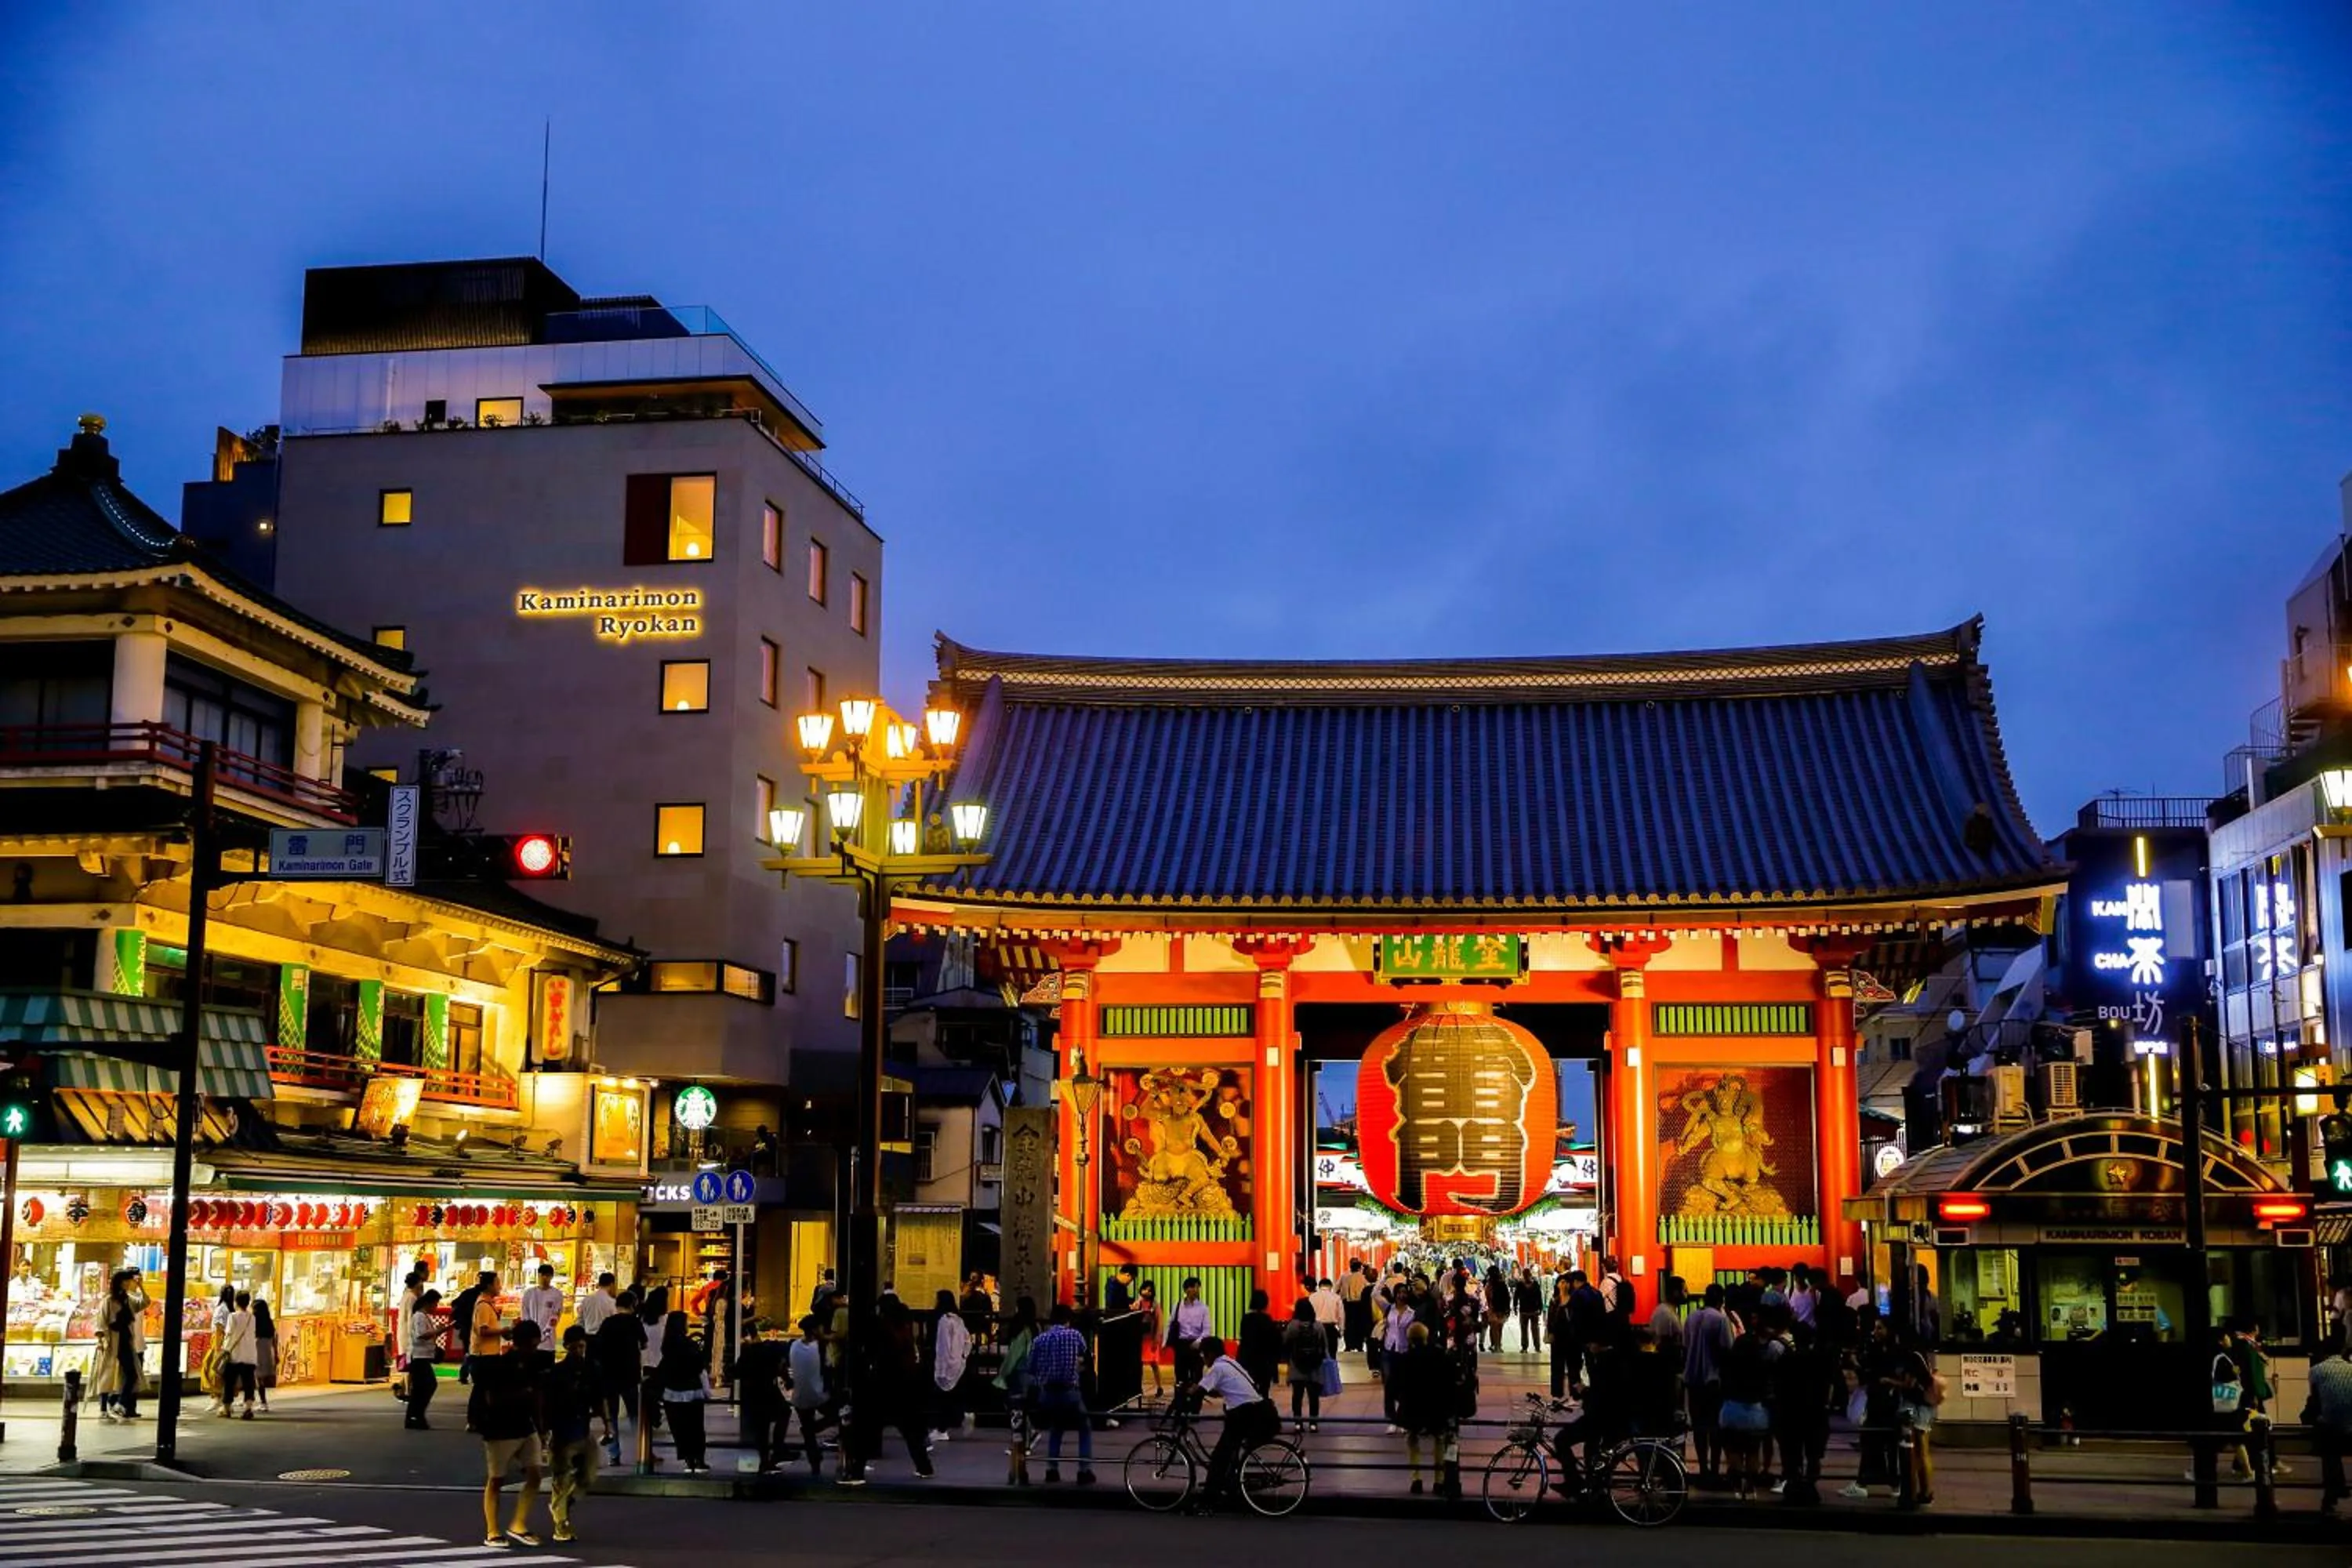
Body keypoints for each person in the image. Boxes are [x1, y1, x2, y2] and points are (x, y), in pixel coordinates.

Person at [470, 1318, 548, 1548]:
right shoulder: (499, 1366)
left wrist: (541, 1428)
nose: (534, 1349)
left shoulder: (533, 1364)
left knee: (534, 1474)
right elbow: (492, 1398)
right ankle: (492, 1531)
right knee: (496, 1479)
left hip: (525, 1426)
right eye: (533, 1345)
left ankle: (518, 1524)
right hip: (500, 1429)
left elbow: (537, 1397)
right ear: (523, 1343)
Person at [1190, 1334, 1277, 1510]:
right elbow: (1221, 1389)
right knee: (1230, 1453)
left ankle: (1207, 1501)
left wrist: (1188, 1392)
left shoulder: (1217, 1368)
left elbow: (1200, 1390)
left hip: (1243, 1414)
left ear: (1211, 1353)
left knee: (1219, 1458)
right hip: (1255, 1410)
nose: (1202, 1358)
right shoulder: (1230, 1362)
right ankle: (1230, 1486)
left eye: (1203, 1354)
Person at [545, 1324, 599, 1545]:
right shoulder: (558, 1372)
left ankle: (563, 1504)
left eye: (582, 1347)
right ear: (567, 1347)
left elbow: (599, 1395)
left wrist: (607, 1423)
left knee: (588, 1475)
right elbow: (548, 1404)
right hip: (563, 1431)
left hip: (583, 1428)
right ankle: (561, 1523)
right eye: (575, 1347)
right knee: (562, 1477)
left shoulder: (590, 1369)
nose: (579, 1351)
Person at [1029, 1302, 1095, 1484]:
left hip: (1047, 1393)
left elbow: (1031, 1367)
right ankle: (1084, 1470)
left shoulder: (1040, 1340)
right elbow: (1085, 1358)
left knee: (1056, 1427)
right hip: (1070, 1392)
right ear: (1068, 1320)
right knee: (1084, 1427)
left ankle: (1052, 1469)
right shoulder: (1075, 1336)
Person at [1717, 1312, 1777, 1501]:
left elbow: (1722, 1386)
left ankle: (1739, 1478)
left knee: (1732, 1448)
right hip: (1755, 1412)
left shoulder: (1729, 1364)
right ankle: (1750, 1486)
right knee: (1753, 1451)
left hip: (1732, 1410)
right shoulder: (1760, 1363)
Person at [1391, 1321, 1455, 1496]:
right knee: (1439, 1440)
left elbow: (1395, 1386)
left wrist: (1398, 1403)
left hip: (1412, 1407)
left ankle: (1416, 1479)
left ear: (1410, 1339)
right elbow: (1449, 1381)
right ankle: (1439, 1481)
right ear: (1426, 1337)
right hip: (1436, 1407)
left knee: (1412, 1439)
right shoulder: (1439, 1355)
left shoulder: (1404, 1359)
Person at [1685, 1282, 1734, 1487]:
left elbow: (1686, 1345)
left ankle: (1703, 1468)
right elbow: (1726, 1350)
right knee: (1715, 1427)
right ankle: (1714, 1470)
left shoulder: (1691, 1317)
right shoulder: (1720, 1319)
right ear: (1721, 1300)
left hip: (1692, 1379)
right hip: (1713, 1380)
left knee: (1698, 1427)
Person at [591, 1287, 645, 1461]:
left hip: (610, 1374)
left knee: (612, 1416)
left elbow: (598, 1346)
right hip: (630, 1374)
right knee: (634, 1414)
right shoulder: (635, 1323)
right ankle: (641, 1450)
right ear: (633, 1305)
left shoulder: (608, 1323)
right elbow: (644, 1344)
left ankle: (614, 1454)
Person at [658, 1311, 713, 1472]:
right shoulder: (689, 1345)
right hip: (692, 1390)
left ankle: (688, 1460)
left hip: (672, 1392)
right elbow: (699, 1365)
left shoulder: (667, 1346)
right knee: (696, 1427)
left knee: (679, 1429)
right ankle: (700, 1459)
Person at [2304, 1336, 2352, 1516]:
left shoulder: (2316, 1371)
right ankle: (2338, 1489)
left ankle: (2331, 1496)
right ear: (2343, 1351)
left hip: (2330, 1426)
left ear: (2323, 1352)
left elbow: (2315, 1400)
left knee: (2330, 1453)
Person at [789, 1315, 835, 1479]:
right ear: (816, 1330)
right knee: (839, 1414)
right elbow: (830, 1369)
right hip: (819, 1396)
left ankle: (815, 1463)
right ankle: (813, 1428)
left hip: (799, 1397)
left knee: (808, 1434)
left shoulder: (794, 1345)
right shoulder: (821, 1348)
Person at [930, 1287, 971, 1443]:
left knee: (942, 1399)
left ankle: (942, 1429)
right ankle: (962, 1416)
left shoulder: (944, 1320)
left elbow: (943, 1346)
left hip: (946, 1365)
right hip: (959, 1363)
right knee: (952, 1397)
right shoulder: (958, 1320)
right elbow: (968, 1340)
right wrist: (963, 1356)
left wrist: (942, 1367)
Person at [1283, 1297, 1327, 1432]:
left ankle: (1298, 1423)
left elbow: (1286, 1343)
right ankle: (1313, 1423)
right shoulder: (1318, 1326)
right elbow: (1324, 1345)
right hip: (1314, 1366)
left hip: (1297, 1365)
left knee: (1297, 1395)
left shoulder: (1292, 1326)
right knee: (1313, 1396)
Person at [1381, 1284, 1419, 1430]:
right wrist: (1385, 1278)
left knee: (1405, 1385)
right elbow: (1375, 1294)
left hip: (1405, 1351)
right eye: (1399, 1292)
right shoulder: (1388, 1309)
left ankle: (1403, 1417)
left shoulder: (1412, 1313)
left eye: (1404, 1292)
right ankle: (1391, 1419)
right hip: (1389, 1349)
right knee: (1389, 1385)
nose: (1401, 1295)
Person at [405, 1289, 444, 1428]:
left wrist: (436, 1332)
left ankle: (415, 1416)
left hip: (423, 1355)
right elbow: (421, 1335)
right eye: (435, 1304)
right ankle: (416, 1415)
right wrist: (438, 1331)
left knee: (421, 1388)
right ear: (429, 1303)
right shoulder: (420, 1317)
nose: (436, 1307)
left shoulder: (423, 1316)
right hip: (419, 1356)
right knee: (427, 1385)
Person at [1166, 1276, 1213, 1386]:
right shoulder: (1177, 1306)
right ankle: (1181, 1395)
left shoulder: (1203, 1308)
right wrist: (1166, 1342)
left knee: (1196, 1376)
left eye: (1198, 1287)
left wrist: (1197, 1342)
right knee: (1181, 1376)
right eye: (1194, 1287)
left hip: (1197, 1345)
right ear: (1186, 1289)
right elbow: (1170, 1324)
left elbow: (1207, 1330)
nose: (1196, 1290)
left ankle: (1195, 1396)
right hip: (1181, 1345)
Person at [222, 1290, 260, 1419]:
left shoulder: (232, 1317)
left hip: (235, 1355)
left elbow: (229, 1334)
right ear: (248, 1303)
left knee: (229, 1382)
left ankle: (227, 1409)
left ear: (236, 1302)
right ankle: (248, 1408)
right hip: (250, 1355)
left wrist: (224, 1349)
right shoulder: (252, 1318)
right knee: (249, 1383)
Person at [1237, 1288, 1283, 1394]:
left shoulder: (1246, 1318)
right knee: (1263, 1391)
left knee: (1249, 1389)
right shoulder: (1267, 1319)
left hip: (1248, 1359)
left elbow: (1243, 1336)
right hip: (1263, 1361)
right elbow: (1274, 1339)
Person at [1544, 1276, 1575, 1400]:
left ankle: (1575, 1394)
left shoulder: (1574, 1300)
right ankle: (1556, 1394)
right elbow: (1550, 1319)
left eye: (1567, 1282)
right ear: (1557, 1285)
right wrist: (1551, 1333)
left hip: (1571, 1338)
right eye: (1562, 1282)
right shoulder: (1554, 1301)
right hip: (1557, 1338)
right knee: (1557, 1367)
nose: (1564, 1285)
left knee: (1573, 1367)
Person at [1134, 1280, 1166, 1399]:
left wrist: (1157, 1339)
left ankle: (1160, 1387)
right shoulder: (1138, 1303)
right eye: (1145, 1289)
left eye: (1149, 1290)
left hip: (1151, 1339)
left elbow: (1160, 1323)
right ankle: (1138, 1388)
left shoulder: (1155, 1305)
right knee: (1138, 1365)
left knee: (1154, 1364)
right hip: (1140, 1339)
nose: (1146, 1292)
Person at [521, 1264, 564, 1344]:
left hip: (548, 1340)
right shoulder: (529, 1293)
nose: (544, 1278)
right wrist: (530, 1332)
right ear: (538, 1275)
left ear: (551, 1277)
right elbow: (524, 1314)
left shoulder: (557, 1294)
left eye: (547, 1276)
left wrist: (545, 1333)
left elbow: (556, 1316)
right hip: (530, 1339)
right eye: (542, 1275)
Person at [252, 1297, 279, 1412]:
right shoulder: (269, 1322)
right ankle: (258, 1401)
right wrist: (276, 1354)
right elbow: (274, 1339)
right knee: (260, 1378)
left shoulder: (253, 1322)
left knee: (258, 1379)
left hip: (256, 1352)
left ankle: (262, 1402)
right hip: (268, 1352)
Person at [1340, 1261, 1373, 1355]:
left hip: (1349, 1304)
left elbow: (1344, 1292)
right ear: (1359, 1268)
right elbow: (1368, 1288)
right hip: (1360, 1304)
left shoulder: (1347, 1278)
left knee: (1349, 1325)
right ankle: (1359, 1346)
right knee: (1360, 1325)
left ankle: (1348, 1345)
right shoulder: (1363, 1278)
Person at [1309, 1276, 1345, 1360]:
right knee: (1331, 1353)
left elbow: (1309, 1313)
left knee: (1316, 1354)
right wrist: (1341, 1329)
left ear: (1319, 1286)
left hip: (1316, 1328)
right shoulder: (1336, 1297)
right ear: (1331, 1286)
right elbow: (1341, 1315)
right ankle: (1331, 1367)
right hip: (1330, 1329)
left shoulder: (1312, 1297)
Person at [577, 1273, 618, 1338]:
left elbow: (580, 1320)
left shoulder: (586, 1300)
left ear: (599, 1284)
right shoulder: (611, 1302)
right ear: (612, 1285)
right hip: (605, 1338)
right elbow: (615, 1322)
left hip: (588, 1336)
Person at [1512, 1267, 1544, 1353]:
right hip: (1534, 1310)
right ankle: (1537, 1347)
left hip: (1524, 1310)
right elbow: (1539, 1297)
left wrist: (1515, 1306)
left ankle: (1524, 1347)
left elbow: (1516, 1296)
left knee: (1524, 1330)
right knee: (1535, 1330)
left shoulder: (1520, 1284)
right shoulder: (1535, 1284)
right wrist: (1540, 1308)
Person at [1483, 1264, 1511, 1352]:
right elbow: (1507, 1297)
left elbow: (1487, 1296)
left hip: (1492, 1308)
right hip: (1502, 1309)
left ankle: (1496, 1346)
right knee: (1500, 1328)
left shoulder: (1489, 1284)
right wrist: (1508, 1309)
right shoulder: (1502, 1283)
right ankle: (1499, 1345)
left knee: (1494, 1328)